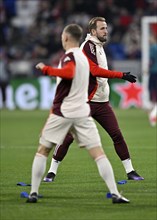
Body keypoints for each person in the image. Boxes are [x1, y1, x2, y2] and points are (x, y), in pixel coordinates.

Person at [26, 23, 129, 204]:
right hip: (83, 111)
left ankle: (33, 192)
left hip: (64, 111)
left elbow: (68, 72)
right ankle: (114, 193)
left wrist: (46, 69)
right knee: (98, 154)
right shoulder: (84, 57)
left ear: (65, 38)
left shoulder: (69, 57)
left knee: (42, 151)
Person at [44, 17, 144, 183]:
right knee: (68, 137)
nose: (106, 31)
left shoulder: (98, 46)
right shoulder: (87, 46)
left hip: (102, 103)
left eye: (106, 28)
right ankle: (51, 172)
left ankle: (130, 171)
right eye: (103, 28)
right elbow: (95, 71)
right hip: (87, 102)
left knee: (116, 135)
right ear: (93, 32)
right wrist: (121, 75)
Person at [148, 34, 157, 127]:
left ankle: (153, 107)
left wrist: (148, 68)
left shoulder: (152, 48)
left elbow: (151, 60)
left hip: (154, 72)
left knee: (152, 89)